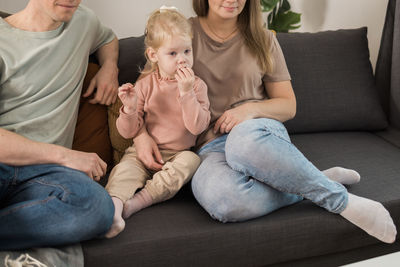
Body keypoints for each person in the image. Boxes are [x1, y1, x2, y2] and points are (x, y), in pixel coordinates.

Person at [133, 0, 397, 244]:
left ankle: (340, 201)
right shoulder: (181, 31)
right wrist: (140, 135)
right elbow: (144, 90)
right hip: (208, 146)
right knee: (224, 203)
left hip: (257, 135)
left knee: (242, 143)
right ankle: (314, 180)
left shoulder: (263, 38)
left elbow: (288, 105)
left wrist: (248, 110)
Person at [0, 0, 119, 250]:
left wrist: (109, 68)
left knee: (96, 207)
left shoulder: (82, 21)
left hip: (47, 174)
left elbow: (108, 39)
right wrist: (66, 156)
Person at [104, 6, 211, 238]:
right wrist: (130, 109)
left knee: (191, 161)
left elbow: (197, 127)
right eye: (172, 54)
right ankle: (114, 209)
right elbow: (127, 132)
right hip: (142, 153)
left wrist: (186, 93)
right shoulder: (145, 85)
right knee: (124, 170)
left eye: (186, 51)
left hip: (178, 154)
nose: (182, 60)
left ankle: (138, 203)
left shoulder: (197, 86)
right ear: (154, 55)